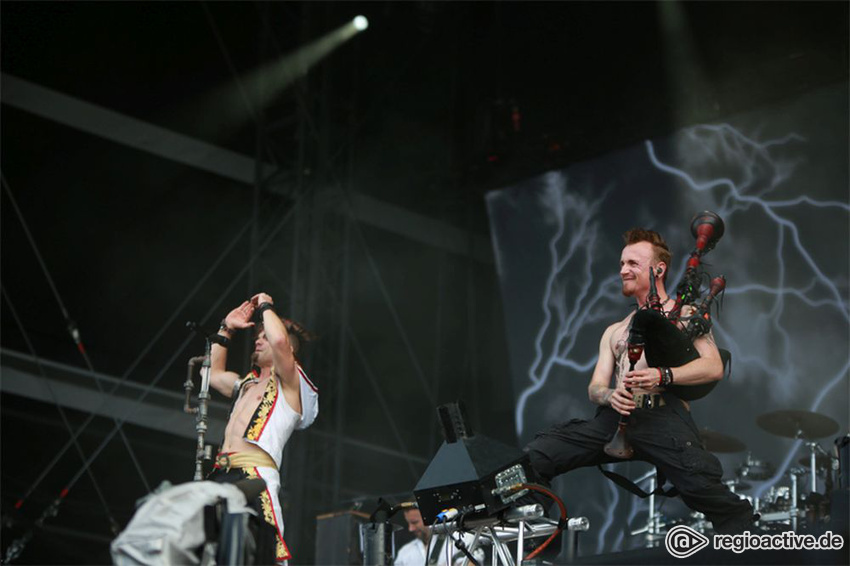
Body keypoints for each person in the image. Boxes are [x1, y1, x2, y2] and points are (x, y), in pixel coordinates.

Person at [524, 229, 754, 535]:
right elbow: (595, 387)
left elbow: (712, 368)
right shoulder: (615, 331)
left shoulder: (685, 313)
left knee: (704, 489)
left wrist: (663, 375)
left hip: (663, 416)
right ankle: (537, 540)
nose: (622, 270)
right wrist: (609, 396)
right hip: (614, 417)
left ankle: (750, 544)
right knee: (536, 457)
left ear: (658, 269)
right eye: (621, 263)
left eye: (632, 263)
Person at [208, 292, 319, 564]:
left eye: (263, 337)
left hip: (255, 475)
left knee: (265, 554)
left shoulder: (292, 384)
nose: (258, 340)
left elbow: (280, 340)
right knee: (207, 547)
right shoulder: (246, 383)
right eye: (257, 336)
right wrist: (227, 328)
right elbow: (211, 375)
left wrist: (267, 305)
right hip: (222, 471)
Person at [394, 505, 482, 566]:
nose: (411, 528)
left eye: (414, 522)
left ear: (428, 518)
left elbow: (473, 562)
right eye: (408, 523)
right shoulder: (404, 552)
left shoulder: (459, 537)